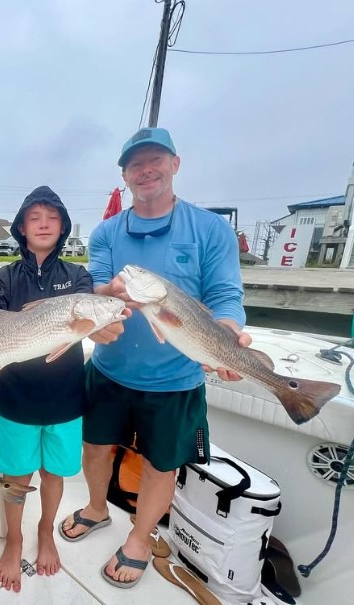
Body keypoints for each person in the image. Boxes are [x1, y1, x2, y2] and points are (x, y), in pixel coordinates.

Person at [58, 127, 249, 588]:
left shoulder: (211, 229)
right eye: (135, 164)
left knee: (163, 464)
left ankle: (141, 538)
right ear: (124, 175)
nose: (146, 171)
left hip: (178, 377)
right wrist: (107, 293)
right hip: (109, 369)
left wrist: (226, 335)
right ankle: (98, 508)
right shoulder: (106, 232)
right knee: (95, 447)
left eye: (155, 160)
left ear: (175, 164)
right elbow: (97, 285)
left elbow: (226, 296)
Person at [0, 186, 99, 593]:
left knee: (54, 474)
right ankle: (15, 538)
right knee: (15, 475)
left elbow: (95, 319)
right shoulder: (5, 276)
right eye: (34, 217)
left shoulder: (78, 278)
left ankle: (45, 530)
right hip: (15, 398)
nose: (43, 223)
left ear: (62, 226)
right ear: (22, 228)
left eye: (51, 217)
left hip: (66, 398)